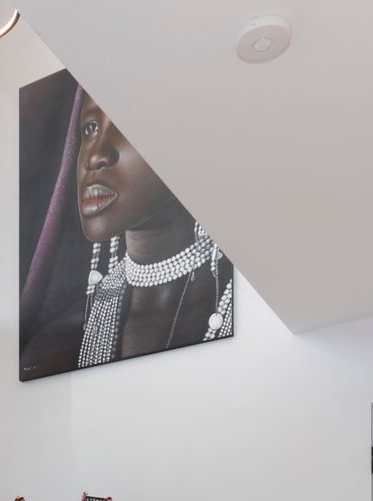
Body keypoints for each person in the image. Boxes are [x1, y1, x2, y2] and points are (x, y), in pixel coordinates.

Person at [21, 87, 235, 378]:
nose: (95, 157)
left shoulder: (249, 304)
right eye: (90, 128)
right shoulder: (53, 349)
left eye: (128, 124)